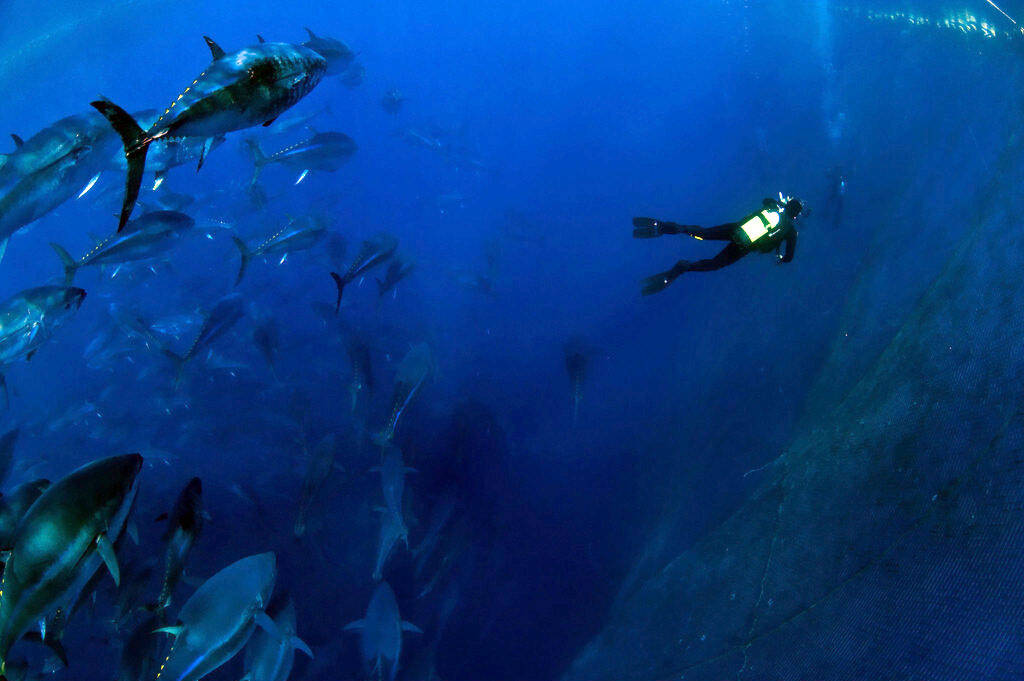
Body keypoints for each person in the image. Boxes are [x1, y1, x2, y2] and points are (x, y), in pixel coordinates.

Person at [633, 196, 802, 296]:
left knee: (704, 234)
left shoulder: (773, 205)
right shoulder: (791, 231)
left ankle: (671, 227)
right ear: (795, 216)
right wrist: (780, 258)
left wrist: (781, 203)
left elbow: (765, 199)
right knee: (715, 264)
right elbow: (789, 257)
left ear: (788, 204)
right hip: (743, 247)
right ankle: (686, 266)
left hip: (735, 229)